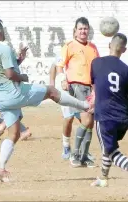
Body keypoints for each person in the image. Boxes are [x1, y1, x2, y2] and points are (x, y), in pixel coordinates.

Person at [0, 18, 91, 182]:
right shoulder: (4, 48)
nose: (4, 32)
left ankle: (0, 168)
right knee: (52, 91)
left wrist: (19, 60)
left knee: (14, 133)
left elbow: (2, 68)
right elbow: (11, 75)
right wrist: (22, 76)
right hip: (14, 93)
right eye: (3, 29)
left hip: (0, 98)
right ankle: (86, 105)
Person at [89, 33, 128, 187]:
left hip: (105, 117)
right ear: (124, 49)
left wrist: (95, 102)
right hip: (123, 119)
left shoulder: (96, 63)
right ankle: (103, 178)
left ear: (110, 45)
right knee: (108, 146)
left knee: (111, 150)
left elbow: (94, 88)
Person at [55, 17, 99, 168]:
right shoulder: (69, 46)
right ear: (75, 31)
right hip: (77, 86)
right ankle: (75, 154)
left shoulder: (93, 47)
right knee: (86, 121)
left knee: (90, 123)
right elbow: (60, 65)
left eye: (85, 28)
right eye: (80, 29)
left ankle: (84, 155)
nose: (83, 31)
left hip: (91, 88)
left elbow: (97, 68)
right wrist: (62, 79)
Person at [49, 31, 95, 161]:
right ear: (75, 32)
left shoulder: (90, 49)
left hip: (84, 88)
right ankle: (66, 146)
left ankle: (83, 150)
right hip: (67, 89)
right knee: (69, 118)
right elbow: (55, 66)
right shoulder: (67, 47)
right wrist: (53, 84)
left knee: (85, 120)